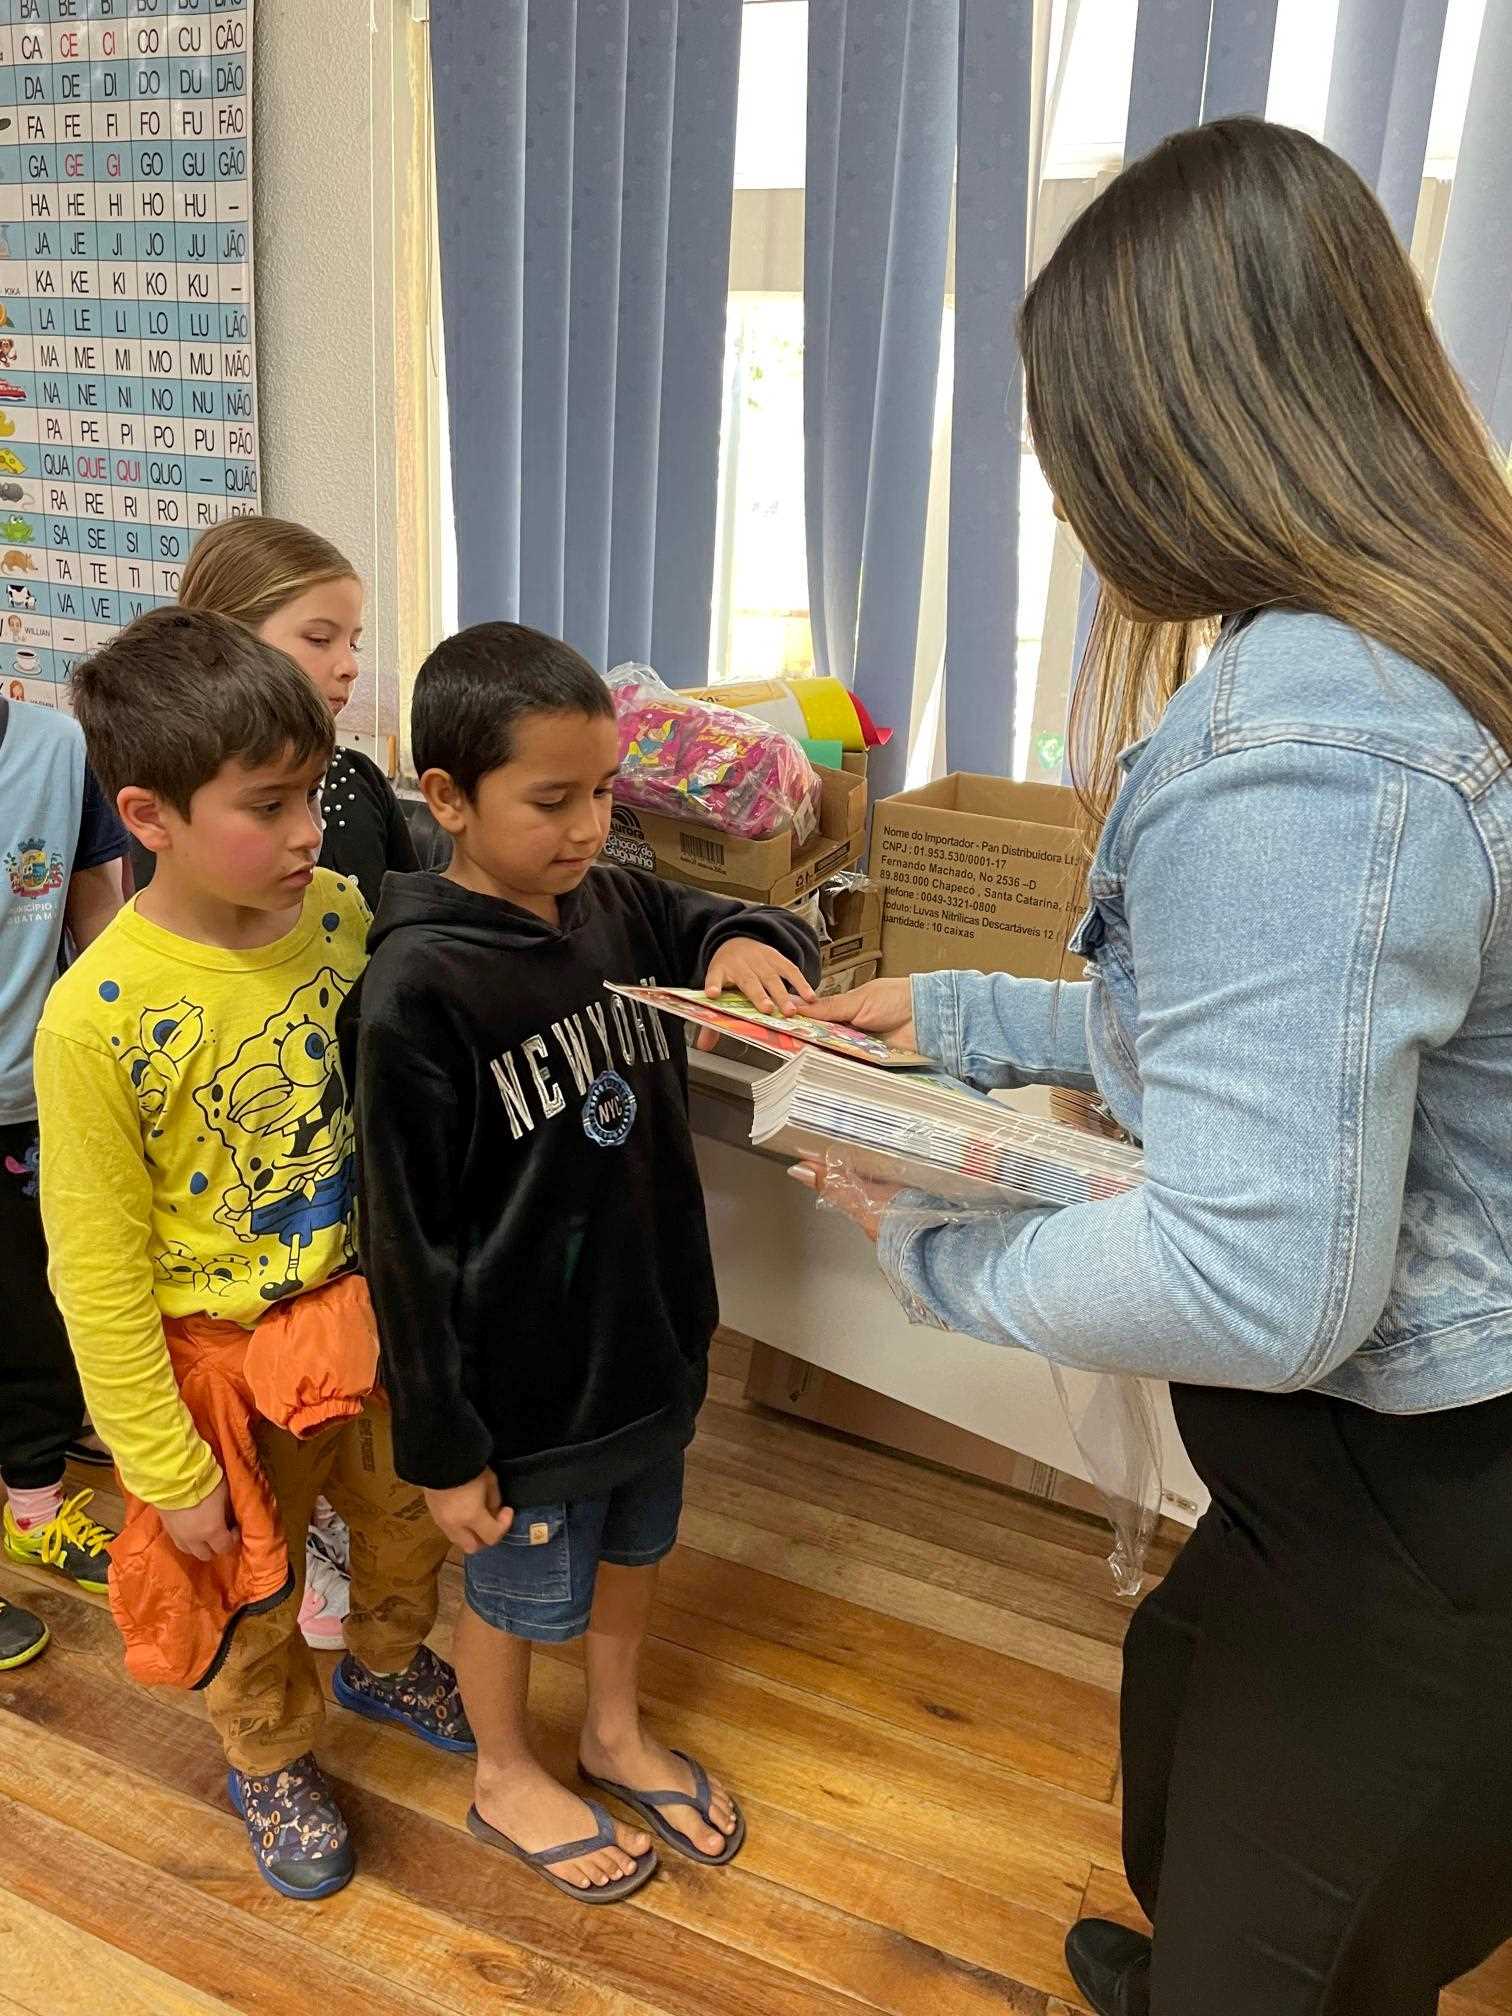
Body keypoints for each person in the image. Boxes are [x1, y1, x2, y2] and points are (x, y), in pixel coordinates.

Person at [808, 119, 1512, 2016]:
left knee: (1279, 1961)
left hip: (1418, 1495)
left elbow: (1258, 1277)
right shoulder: (1432, 642)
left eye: (1069, 451)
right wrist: (967, 1017)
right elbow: (1304, 1034)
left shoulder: (1308, 750)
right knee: (1175, 1706)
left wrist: (937, 1250)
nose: (1061, 505)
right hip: (1370, 1472)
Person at [345, 622, 820, 1902]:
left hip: (647, 1347)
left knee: (636, 1549)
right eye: (552, 800)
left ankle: (612, 1732)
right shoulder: (414, 991)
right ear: (448, 797)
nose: (590, 827)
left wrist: (742, 938)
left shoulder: (609, 900)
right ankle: (504, 1769)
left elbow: (704, 915)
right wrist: (442, 1449)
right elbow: (402, 1244)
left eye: (605, 792)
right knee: (514, 1595)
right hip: (526, 1396)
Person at [35, 609, 465, 1902]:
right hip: (219, 1367)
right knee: (250, 1589)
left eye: (312, 795)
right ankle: (269, 1753)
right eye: (264, 806)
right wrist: (164, 1466)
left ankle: (387, 1660)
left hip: (367, 1323)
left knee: (406, 1526)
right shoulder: (94, 1019)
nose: (306, 834)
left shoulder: (339, 916)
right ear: (149, 817)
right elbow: (96, 1272)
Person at [144, 513, 423, 1648]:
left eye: (355, 639)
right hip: (237, 1279)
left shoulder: (353, 791)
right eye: (321, 637)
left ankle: (366, 1602)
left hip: (347, 1203)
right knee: (265, 1537)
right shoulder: (176, 848)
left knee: (381, 1478)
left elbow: (405, 920)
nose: (349, 665)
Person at [0, 691, 127, 1668]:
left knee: (38, 1311)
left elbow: (97, 917)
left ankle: (35, 1506)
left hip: (31, 1095)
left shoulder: (55, 747)